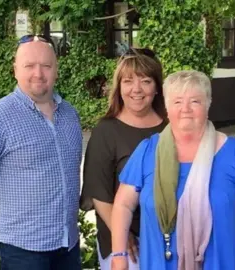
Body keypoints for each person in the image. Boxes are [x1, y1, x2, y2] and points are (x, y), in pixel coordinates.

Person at [110, 70, 235, 270]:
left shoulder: (233, 152)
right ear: (167, 107)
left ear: (208, 104)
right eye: (177, 102)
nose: (185, 109)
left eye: (195, 101)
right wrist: (119, 255)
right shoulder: (148, 151)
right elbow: (123, 205)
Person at [0, 35, 83, 269]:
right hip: (23, 247)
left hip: (67, 243)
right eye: (29, 66)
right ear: (15, 70)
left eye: (46, 65)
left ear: (56, 69)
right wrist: (7, 204)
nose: (38, 73)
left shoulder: (69, 114)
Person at [79, 47, 167, 270]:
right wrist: (122, 233)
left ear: (157, 87)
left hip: (167, 238)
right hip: (124, 245)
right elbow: (99, 193)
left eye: (145, 81)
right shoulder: (106, 131)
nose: (136, 89)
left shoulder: (171, 126)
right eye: (128, 81)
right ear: (119, 87)